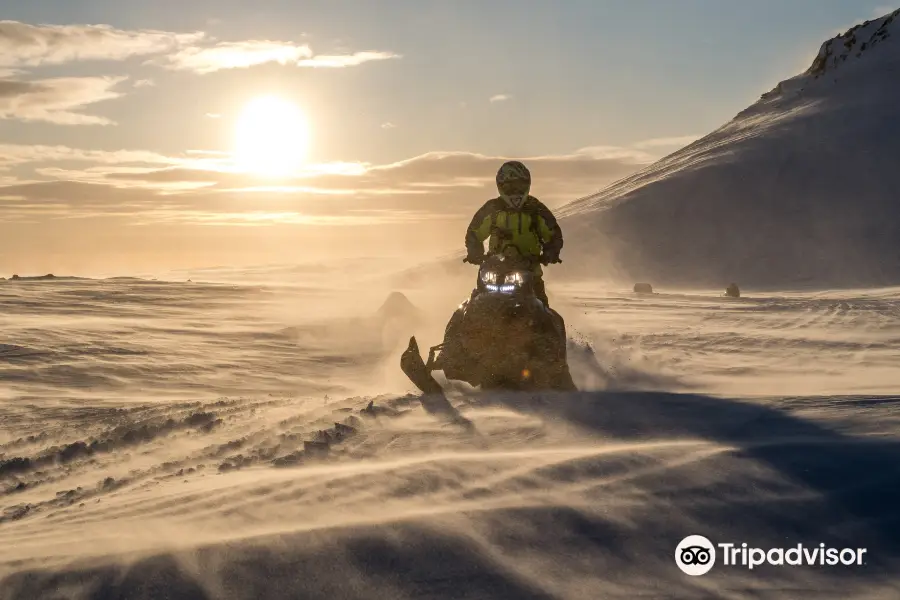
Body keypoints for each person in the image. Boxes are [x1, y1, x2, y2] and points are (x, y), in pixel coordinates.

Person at [463, 160, 563, 307]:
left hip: (530, 272)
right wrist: (475, 252)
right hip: (494, 272)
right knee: (469, 309)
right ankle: (458, 330)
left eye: (519, 185)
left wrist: (551, 252)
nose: (515, 191)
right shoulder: (492, 208)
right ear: (501, 187)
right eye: (510, 186)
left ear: (527, 185)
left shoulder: (535, 209)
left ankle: (552, 330)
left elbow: (553, 233)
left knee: (545, 313)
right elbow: (474, 232)